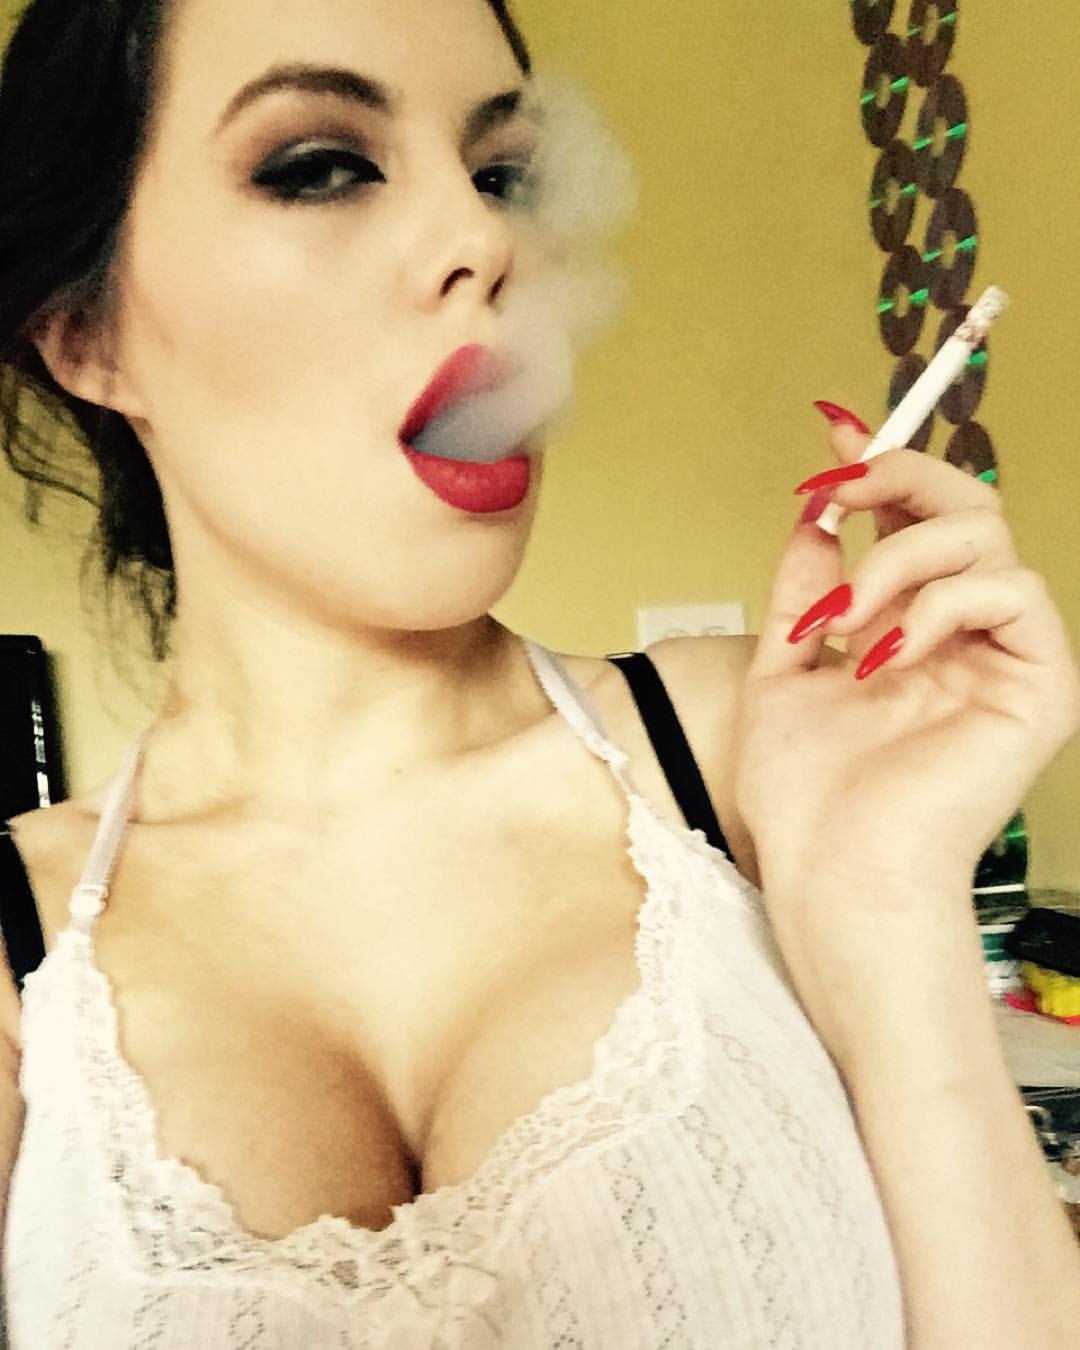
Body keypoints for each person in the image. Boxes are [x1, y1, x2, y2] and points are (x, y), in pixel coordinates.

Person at [0, 0, 1078, 1345]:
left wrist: (890, 905)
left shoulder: (751, 751)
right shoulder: (23, 953)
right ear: (86, 331)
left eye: (503, 174)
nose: (486, 239)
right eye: (320, 166)